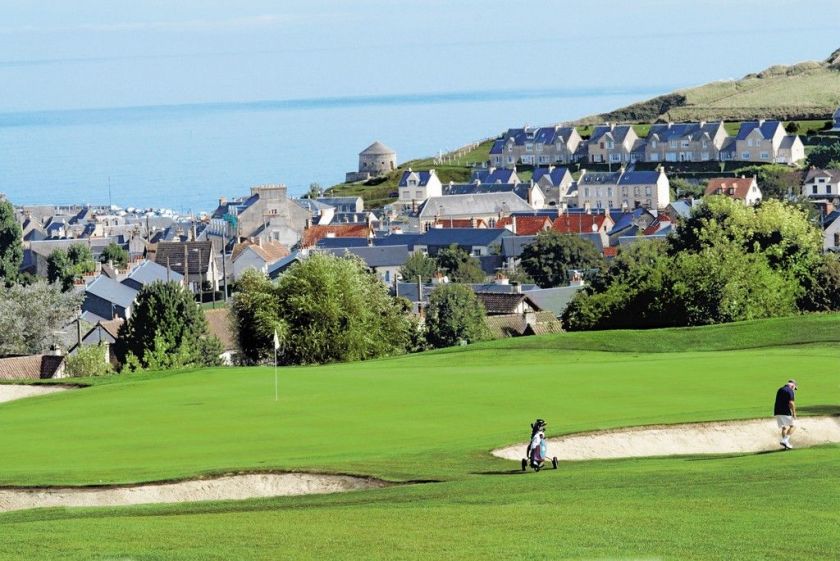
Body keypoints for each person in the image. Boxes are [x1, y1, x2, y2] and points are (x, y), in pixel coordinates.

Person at [774, 379, 798, 449]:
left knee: (784, 428)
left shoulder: (780, 389)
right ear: (793, 385)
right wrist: (794, 413)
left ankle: (786, 444)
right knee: (793, 426)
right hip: (785, 411)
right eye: (794, 388)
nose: (794, 390)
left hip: (777, 411)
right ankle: (785, 440)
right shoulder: (790, 390)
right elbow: (791, 403)